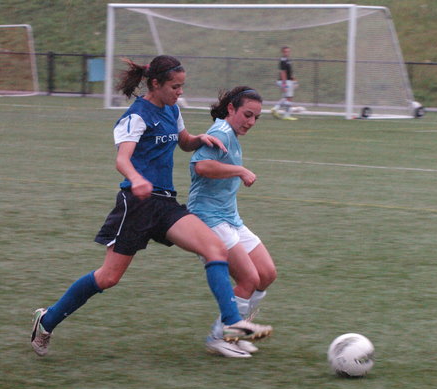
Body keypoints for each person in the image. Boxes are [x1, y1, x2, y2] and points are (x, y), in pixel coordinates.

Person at [31, 55, 273, 356]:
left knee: (215, 249)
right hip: (137, 204)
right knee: (108, 277)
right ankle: (47, 320)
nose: (179, 92)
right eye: (175, 87)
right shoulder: (136, 116)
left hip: (165, 203)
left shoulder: (172, 109)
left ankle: (231, 325)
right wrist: (136, 178)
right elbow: (122, 159)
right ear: (155, 84)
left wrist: (200, 139)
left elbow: (183, 142)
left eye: (182, 86)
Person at [188, 86, 277, 358]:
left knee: (266, 274)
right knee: (249, 278)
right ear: (231, 108)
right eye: (247, 115)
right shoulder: (221, 131)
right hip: (208, 218)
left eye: (256, 118)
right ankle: (221, 337)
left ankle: (237, 333)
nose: (251, 122)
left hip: (230, 218)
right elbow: (201, 166)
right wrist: (240, 170)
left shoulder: (230, 134)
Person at [271, 46, 298, 121]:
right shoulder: (283, 61)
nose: (287, 53)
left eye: (288, 51)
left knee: (287, 98)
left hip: (289, 81)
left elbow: (290, 73)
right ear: (282, 52)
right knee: (288, 98)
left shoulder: (288, 60)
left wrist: (295, 81)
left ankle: (282, 113)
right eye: (285, 51)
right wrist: (284, 84)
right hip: (286, 81)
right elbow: (283, 72)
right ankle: (277, 109)